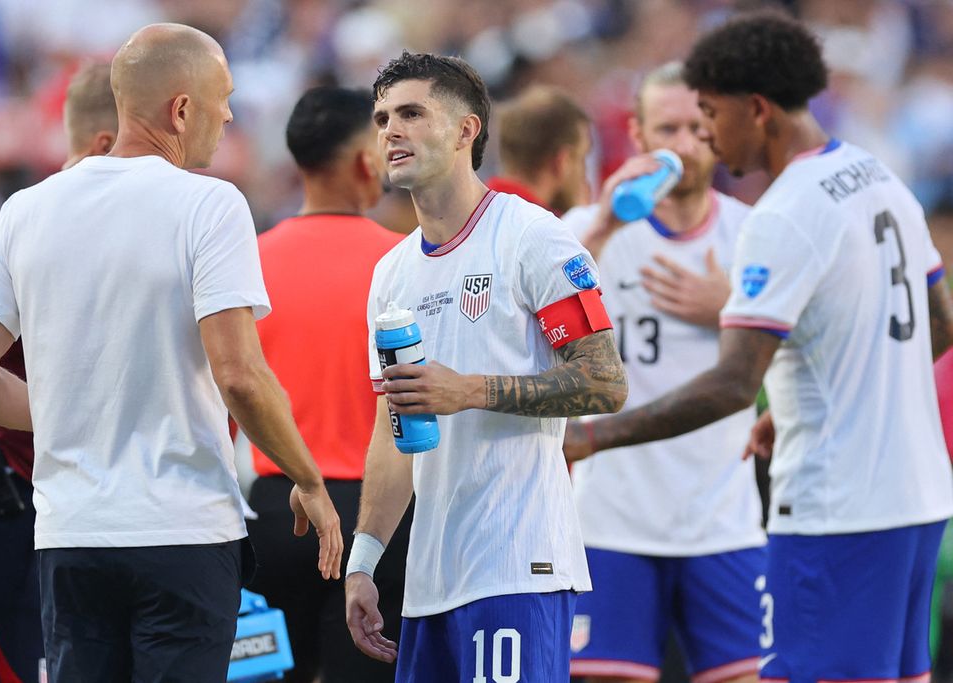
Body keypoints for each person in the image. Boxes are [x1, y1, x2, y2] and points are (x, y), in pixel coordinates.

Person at [0, 23, 343, 683]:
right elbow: (241, 374)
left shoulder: (25, 209)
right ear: (181, 109)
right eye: (223, 98)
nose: (229, 114)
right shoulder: (210, 205)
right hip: (181, 529)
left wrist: (71, 413)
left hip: (71, 532)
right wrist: (308, 477)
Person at [565, 12, 953, 683]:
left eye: (711, 114)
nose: (707, 135)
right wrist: (822, 399)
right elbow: (938, 323)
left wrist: (593, 438)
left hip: (837, 510)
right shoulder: (878, 177)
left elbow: (732, 386)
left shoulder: (782, 213)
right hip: (918, 503)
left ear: (758, 109)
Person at [344, 51, 628, 682]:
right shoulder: (390, 274)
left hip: (517, 567)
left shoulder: (533, 237)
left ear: (466, 130)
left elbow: (605, 382)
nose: (391, 130)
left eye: (412, 113)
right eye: (383, 116)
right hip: (428, 585)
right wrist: (363, 561)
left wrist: (468, 389)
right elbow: (396, 425)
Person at [561, 61, 765, 683]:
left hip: (723, 519)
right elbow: (541, 328)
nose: (683, 144)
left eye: (697, 128)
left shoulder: (753, 235)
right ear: (639, 134)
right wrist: (603, 224)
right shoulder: (585, 233)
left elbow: (812, 351)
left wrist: (731, 307)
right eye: (667, 128)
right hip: (610, 519)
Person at [0, 61, 117, 683]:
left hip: (75, 500)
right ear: (108, 142)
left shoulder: (30, 218)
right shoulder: (35, 222)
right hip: (27, 493)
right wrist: (77, 420)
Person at [246, 85, 409, 683]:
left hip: (276, 513)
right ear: (367, 160)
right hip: (381, 514)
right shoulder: (405, 262)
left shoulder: (249, 262)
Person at [488, 85, 592, 215]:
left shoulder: (474, 208)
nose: (584, 177)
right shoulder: (551, 229)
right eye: (580, 159)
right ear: (562, 162)